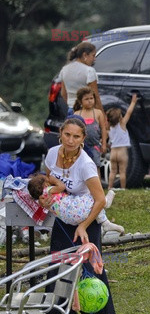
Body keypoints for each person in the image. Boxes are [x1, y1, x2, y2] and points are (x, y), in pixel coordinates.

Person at [39, 117, 116, 313]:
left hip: (87, 218)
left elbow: (100, 201)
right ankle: (58, 310)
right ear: (61, 134)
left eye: (75, 136)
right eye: (67, 135)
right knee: (58, 266)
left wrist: (83, 226)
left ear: (82, 139)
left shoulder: (86, 165)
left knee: (91, 269)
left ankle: (101, 310)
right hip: (64, 217)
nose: (70, 140)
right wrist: (47, 198)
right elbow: (49, 180)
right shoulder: (52, 154)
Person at [28, 173, 123, 233]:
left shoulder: (42, 198)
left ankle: (105, 222)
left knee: (90, 205)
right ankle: (105, 202)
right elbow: (62, 186)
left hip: (69, 219)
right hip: (74, 209)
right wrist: (54, 180)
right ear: (44, 184)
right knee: (92, 196)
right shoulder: (48, 190)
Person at [60, 42, 103, 116]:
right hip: (86, 111)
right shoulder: (89, 71)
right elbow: (96, 96)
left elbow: (63, 94)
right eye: (93, 56)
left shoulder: (65, 69)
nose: (94, 59)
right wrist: (103, 115)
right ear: (85, 55)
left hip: (71, 110)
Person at [106, 93, 138, 189]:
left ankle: (109, 187)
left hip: (113, 152)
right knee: (122, 172)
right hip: (122, 152)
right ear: (120, 117)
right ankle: (123, 188)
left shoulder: (109, 128)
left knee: (113, 171)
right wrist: (133, 102)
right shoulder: (122, 124)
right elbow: (129, 112)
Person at [74, 86, 108, 177]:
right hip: (80, 147)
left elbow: (103, 129)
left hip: (95, 146)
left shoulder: (98, 113)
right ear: (80, 101)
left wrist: (104, 144)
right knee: (80, 167)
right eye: (86, 99)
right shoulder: (77, 114)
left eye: (91, 98)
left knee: (95, 166)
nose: (89, 101)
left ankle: (98, 189)